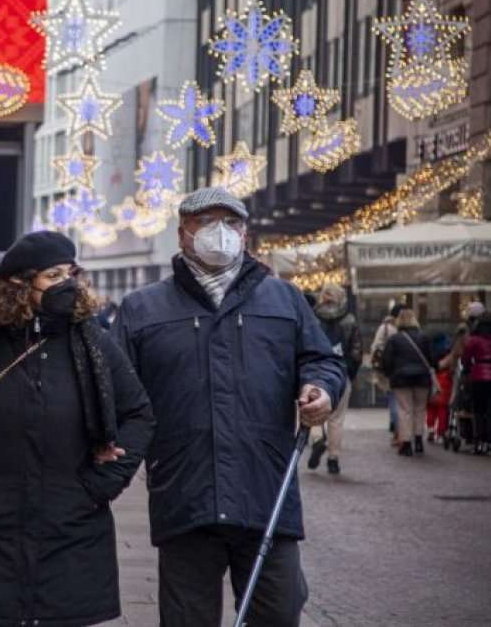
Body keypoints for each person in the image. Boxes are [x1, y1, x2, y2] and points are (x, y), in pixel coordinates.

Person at [114, 187, 345, 627]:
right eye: (206, 223)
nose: (220, 233)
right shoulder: (142, 309)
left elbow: (322, 359)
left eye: (232, 223)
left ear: (246, 233)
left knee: (277, 613)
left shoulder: (285, 300)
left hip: (266, 492)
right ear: (183, 234)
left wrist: (321, 388)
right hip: (185, 496)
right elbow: (115, 393)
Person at [0, 231, 155, 627]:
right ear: (19, 284)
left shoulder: (92, 340)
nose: (66, 284)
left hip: (73, 522)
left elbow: (139, 413)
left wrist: (103, 484)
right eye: (52, 276)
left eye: (70, 273)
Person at [307, 283, 362, 475]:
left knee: (313, 412)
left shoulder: (312, 316)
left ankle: (316, 439)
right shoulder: (349, 319)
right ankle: (333, 459)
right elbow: (356, 351)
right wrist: (351, 373)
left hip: (316, 371)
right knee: (336, 419)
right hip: (341, 372)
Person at [382, 308, 434, 457]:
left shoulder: (394, 339)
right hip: (422, 378)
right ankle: (418, 440)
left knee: (405, 410)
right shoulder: (423, 337)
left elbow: (387, 360)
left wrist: (390, 374)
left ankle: (406, 443)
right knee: (420, 409)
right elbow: (431, 359)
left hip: (401, 378)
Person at [370, 305, 403, 446]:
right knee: (401, 403)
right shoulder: (401, 328)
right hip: (400, 370)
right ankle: (402, 433)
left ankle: (398, 432)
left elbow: (374, 348)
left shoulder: (384, 327)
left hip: (387, 370)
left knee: (394, 401)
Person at [462, 312, 491, 455]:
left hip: (479, 376)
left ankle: (479, 441)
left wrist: (466, 370)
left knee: (478, 411)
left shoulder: (473, 339)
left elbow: (466, 358)